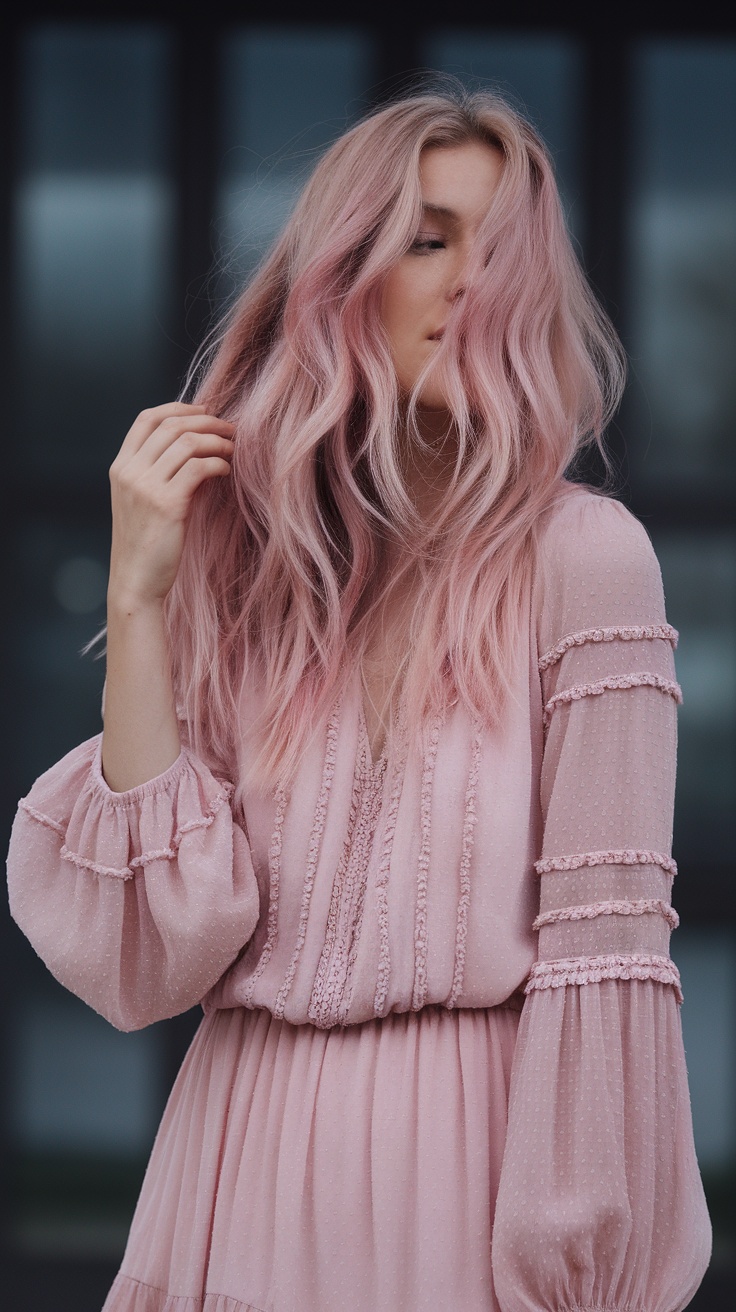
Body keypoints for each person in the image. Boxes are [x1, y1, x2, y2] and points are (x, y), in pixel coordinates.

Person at [6, 89, 712, 1312]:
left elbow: (607, 954)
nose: (468, 284)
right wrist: (138, 598)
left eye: (499, 253)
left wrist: (583, 1269)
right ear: (344, 272)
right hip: (234, 1159)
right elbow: (154, 952)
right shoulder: (256, 567)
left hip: (470, 1175)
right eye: (429, 239)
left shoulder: (587, 559)